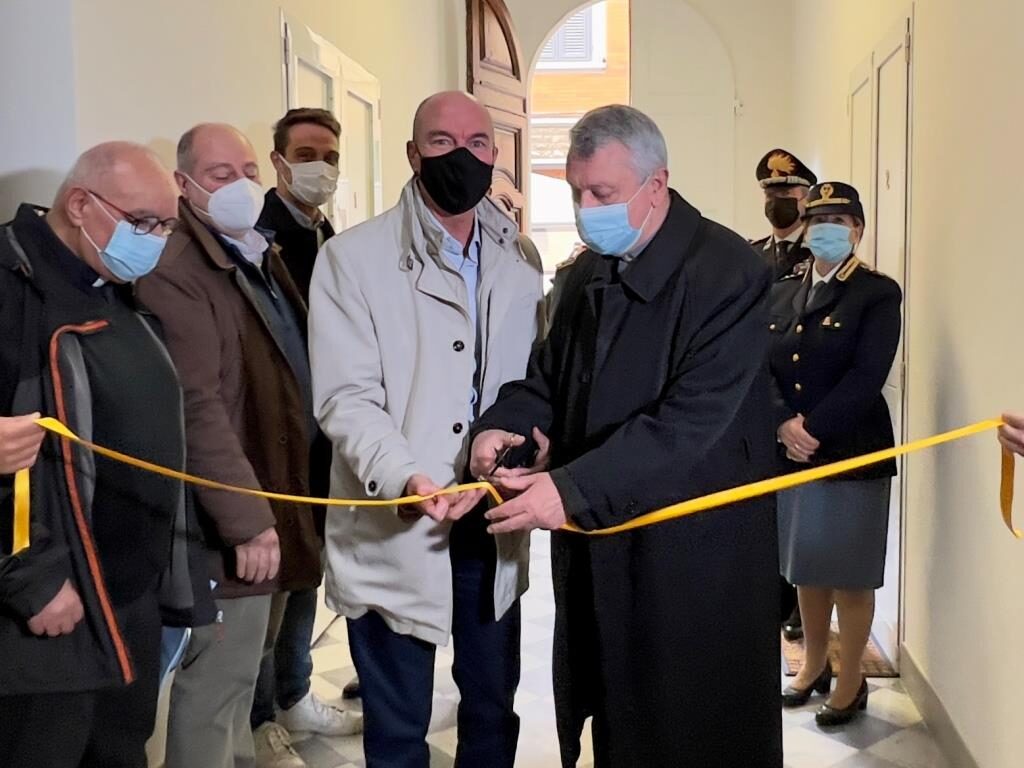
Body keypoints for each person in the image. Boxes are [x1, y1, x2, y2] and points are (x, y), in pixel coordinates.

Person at [470, 104, 782, 768]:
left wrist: (570, 488)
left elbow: (691, 422)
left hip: (693, 550)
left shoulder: (729, 273)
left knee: (691, 722)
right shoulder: (589, 272)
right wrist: (503, 426)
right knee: (618, 711)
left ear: (656, 185)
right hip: (604, 535)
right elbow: (548, 377)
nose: (586, 210)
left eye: (602, 194)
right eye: (577, 193)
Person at [309, 90, 544, 767]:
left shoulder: (519, 258)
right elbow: (347, 398)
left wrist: (529, 447)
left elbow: (532, 381)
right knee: (397, 726)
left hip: (491, 514)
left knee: (492, 709)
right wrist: (404, 474)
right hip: (401, 513)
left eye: (477, 143)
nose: (461, 156)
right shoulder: (352, 259)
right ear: (413, 154)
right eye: (442, 142)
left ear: (495, 155)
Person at [136, 123, 341, 768]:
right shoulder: (178, 268)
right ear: (184, 184)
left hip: (276, 495)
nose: (241, 186)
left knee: (246, 674)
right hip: (229, 518)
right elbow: (196, 407)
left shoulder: (255, 252)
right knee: (216, 688)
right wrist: (247, 521)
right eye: (221, 175)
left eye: (249, 172)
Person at [0, 142, 192, 767]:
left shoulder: (113, 287)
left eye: (166, 226)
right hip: (48, 607)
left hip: (126, 599)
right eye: (143, 222)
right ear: (80, 205)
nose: (155, 240)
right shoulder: (12, 283)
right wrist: (32, 580)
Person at [249, 108, 362, 768]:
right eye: (306, 154)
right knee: (272, 581)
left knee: (305, 570)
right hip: (280, 439)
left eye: (331, 156)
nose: (321, 167)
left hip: (325, 436)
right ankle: (260, 714)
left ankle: (292, 692)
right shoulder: (259, 238)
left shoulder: (327, 236)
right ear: (279, 162)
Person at [770, 181, 902, 727]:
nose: (825, 229)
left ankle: (851, 683)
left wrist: (812, 430)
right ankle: (812, 666)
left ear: (858, 230)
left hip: (850, 451)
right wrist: (782, 423)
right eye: (817, 220)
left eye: (839, 221)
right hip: (791, 453)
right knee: (806, 569)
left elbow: (868, 375)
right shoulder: (783, 289)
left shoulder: (876, 292)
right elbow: (762, 365)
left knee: (850, 575)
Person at [750, 148, 817, 282]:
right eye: (770, 195)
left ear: (806, 199)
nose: (776, 201)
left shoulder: (819, 250)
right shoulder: (752, 253)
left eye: (785, 194)